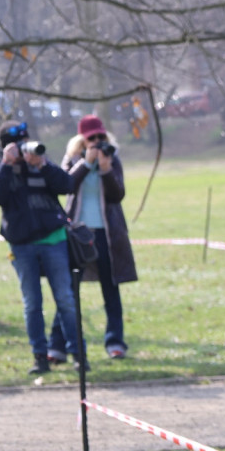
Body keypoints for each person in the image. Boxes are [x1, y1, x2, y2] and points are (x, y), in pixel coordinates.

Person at [0, 120, 84, 375]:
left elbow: (68, 185)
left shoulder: (41, 165)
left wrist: (44, 165)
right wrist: (6, 165)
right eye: (17, 145)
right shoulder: (0, 170)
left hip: (54, 240)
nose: (23, 149)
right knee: (32, 303)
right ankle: (40, 357)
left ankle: (78, 355)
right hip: (22, 245)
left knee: (66, 299)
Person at [49, 115, 137, 366]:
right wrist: (86, 164)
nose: (98, 143)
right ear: (82, 140)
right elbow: (66, 186)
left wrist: (106, 169)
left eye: (101, 137)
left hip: (107, 233)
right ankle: (58, 345)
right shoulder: (72, 161)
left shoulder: (112, 159)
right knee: (68, 291)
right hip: (78, 234)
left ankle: (115, 342)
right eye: (92, 139)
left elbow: (118, 194)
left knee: (111, 289)